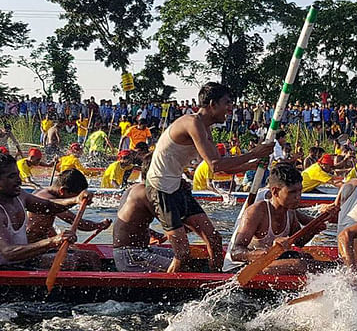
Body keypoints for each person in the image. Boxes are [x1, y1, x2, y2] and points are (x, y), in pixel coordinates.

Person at [144, 82, 273, 272]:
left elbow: (218, 169)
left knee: (214, 238)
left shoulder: (205, 128)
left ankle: (216, 280)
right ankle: (168, 290)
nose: (230, 108)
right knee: (182, 253)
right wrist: (254, 152)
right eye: (227, 103)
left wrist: (250, 165)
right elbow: (215, 164)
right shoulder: (192, 123)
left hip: (177, 187)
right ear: (212, 105)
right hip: (160, 189)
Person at [0, 153, 84, 270]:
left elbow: (49, 206)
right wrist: (52, 241)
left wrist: (76, 199)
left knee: (84, 258)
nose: (19, 180)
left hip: (20, 263)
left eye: (17, 175)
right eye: (12, 177)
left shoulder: (20, 196)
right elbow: (9, 252)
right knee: (68, 263)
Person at [226, 164, 337, 275]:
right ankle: (336, 270)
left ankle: (337, 269)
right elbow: (235, 252)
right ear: (275, 192)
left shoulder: (290, 211)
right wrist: (268, 252)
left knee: (306, 257)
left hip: (270, 262)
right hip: (241, 268)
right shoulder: (256, 212)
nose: (298, 197)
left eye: (300, 191)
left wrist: (314, 230)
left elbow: (299, 243)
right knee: (299, 264)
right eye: (292, 192)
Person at [25, 168, 108, 269]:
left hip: (44, 248)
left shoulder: (46, 192)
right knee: (70, 261)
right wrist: (99, 225)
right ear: (63, 191)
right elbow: (79, 224)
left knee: (92, 256)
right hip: (30, 253)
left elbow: (47, 227)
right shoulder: (47, 199)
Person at [111, 182, 172, 272]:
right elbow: (172, 225)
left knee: (189, 258)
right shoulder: (145, 192)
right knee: (180, 265)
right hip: (131, 254)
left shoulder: (134, 188)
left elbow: (132, 223)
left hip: (139, 250)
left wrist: (153, 234)